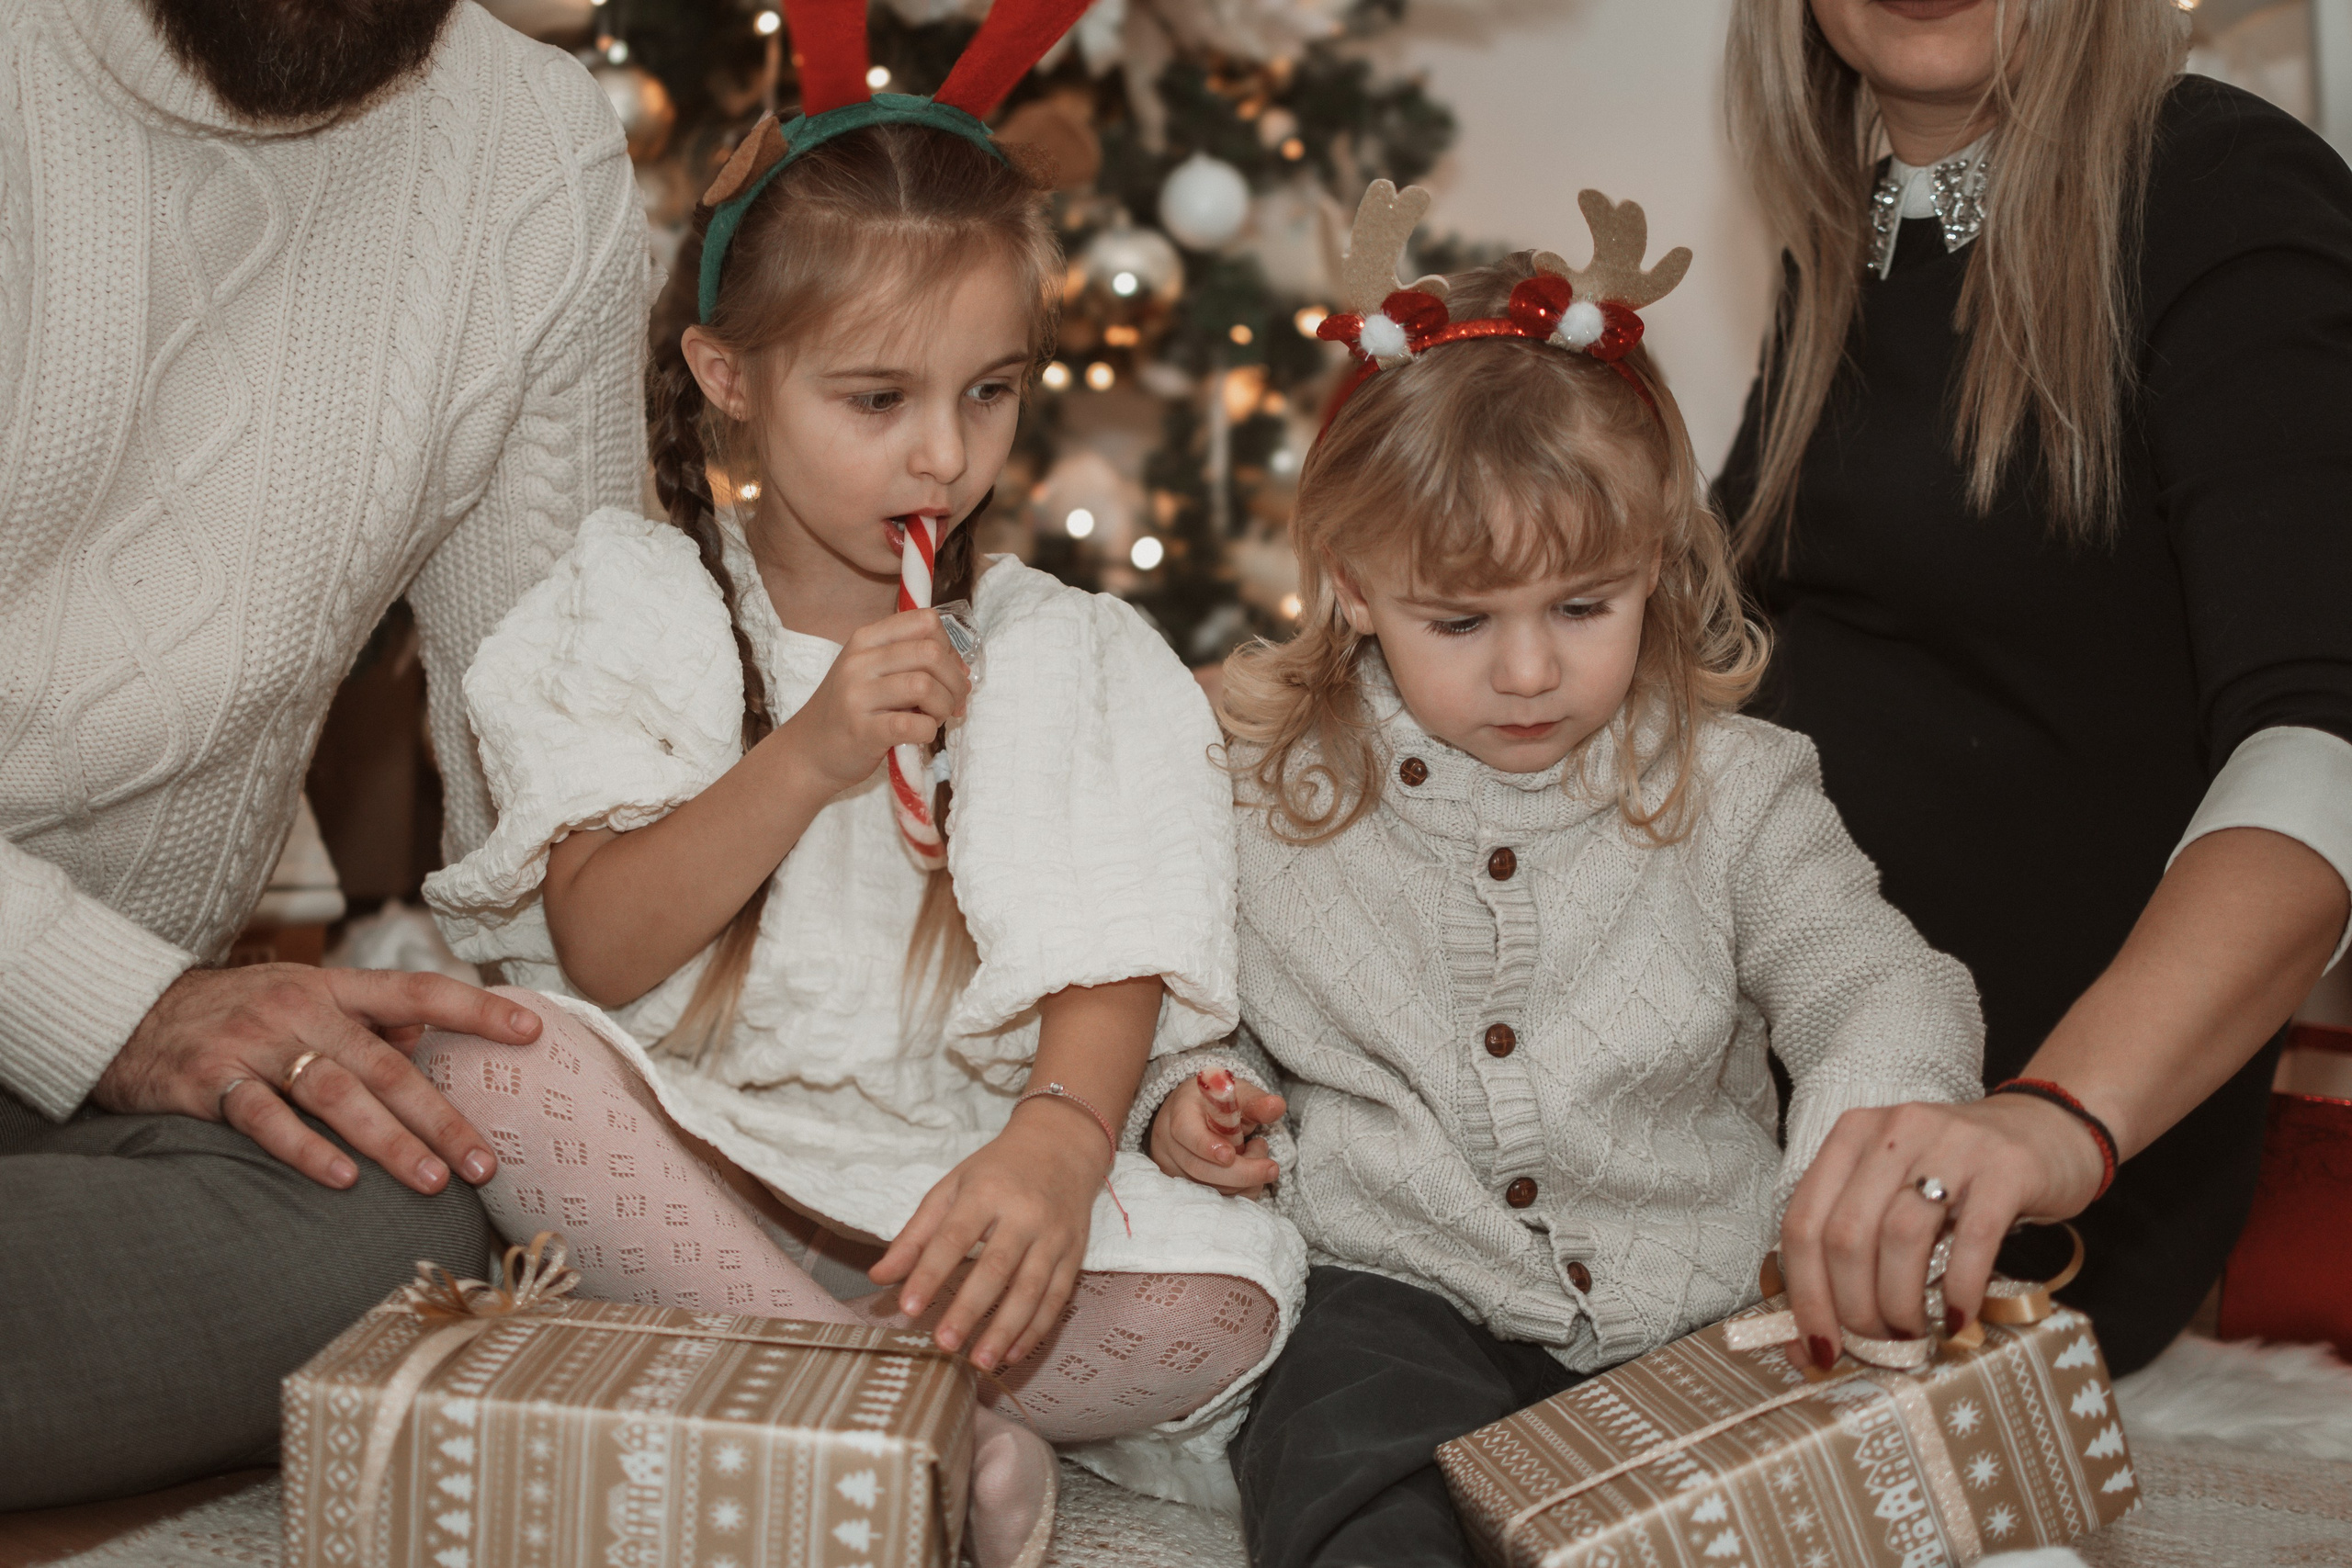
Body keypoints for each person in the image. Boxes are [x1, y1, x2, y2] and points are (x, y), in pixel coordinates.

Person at [413, 27, 1304, 1562]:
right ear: (729, 378)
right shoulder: (639, 603)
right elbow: (603, 949)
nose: (945, 456)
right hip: (706, 1161)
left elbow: (1112, 951)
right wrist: (813, 752)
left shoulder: (1060, 653)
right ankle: (911, 1417)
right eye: (878, 398)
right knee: (479, 1061)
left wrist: (1061, 1148)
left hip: (957, 1197)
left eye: (993, 392)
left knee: (1236, 1298)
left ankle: (779, 1375)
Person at [1153, 195, 1986, 1568]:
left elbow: (1875, 983)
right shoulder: (1260, 789)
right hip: (1401, 1280)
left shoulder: (1738, 787)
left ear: (1654, 564)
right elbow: (1175, 999)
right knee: (1338, 1442)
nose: (1530, 672)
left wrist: (1860, 1155)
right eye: (1462, 621)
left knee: (1827, 1485)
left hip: (1699, 1291)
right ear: (1356, 583)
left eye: (1583, 608)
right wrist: (1187, 1100)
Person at [0, 0, 649, 1507]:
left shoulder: (533, 152)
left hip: (83, 1092)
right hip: (101, 1025)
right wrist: (122, 1006)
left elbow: (567, 783)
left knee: (426, 1205)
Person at [1718, 0, 2352, 1376]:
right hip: (1762, 1078)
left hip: (2002, 1171)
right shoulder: (1857, 224)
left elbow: (2322, 741)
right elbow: (1721, 638)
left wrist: (2053, 1117)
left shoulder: (2219, 190)